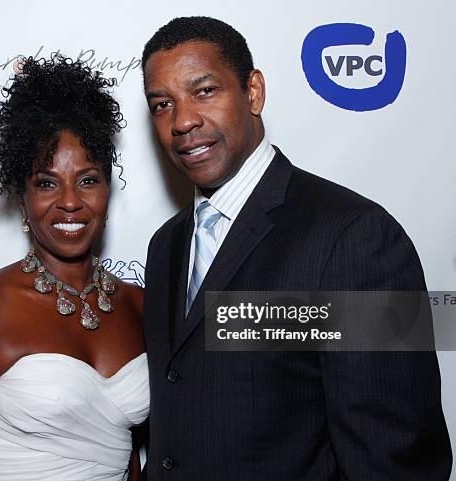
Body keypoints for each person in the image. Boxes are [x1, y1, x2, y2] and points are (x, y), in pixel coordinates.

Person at [141, 16, 452, 480]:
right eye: (162, 104)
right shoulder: (166, 244)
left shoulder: (356, 238)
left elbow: (397, 457)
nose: (182, 120)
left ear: (254, 92)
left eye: (204, 91)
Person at [0, 56, 148, 481]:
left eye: (88, 179)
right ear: (22, 198)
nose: (71, 201)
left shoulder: (138, 305)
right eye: (46, 182)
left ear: (108, 191)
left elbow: (121, 451)